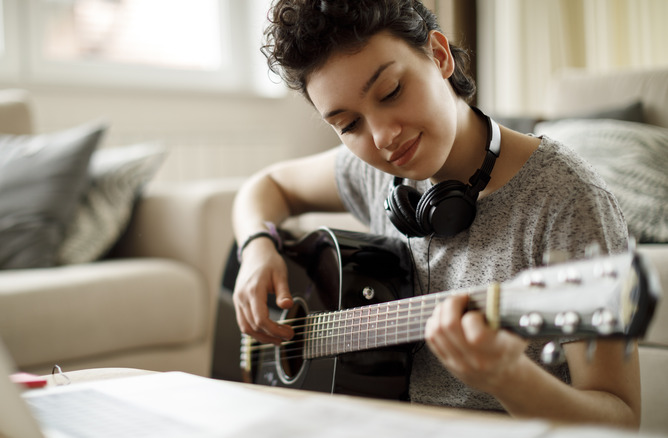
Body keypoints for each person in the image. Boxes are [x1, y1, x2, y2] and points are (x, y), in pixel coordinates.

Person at [232, 0, 640, 428]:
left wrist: (509, 379)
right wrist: (258, 247)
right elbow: (264, 187)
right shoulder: (371, 173)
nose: (384, 137)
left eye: (391, 92)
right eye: (349, 125)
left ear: (440, 56)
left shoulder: (566, 198)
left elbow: (621, 420)